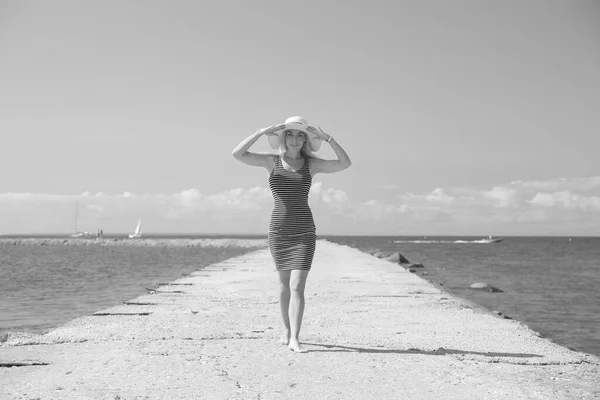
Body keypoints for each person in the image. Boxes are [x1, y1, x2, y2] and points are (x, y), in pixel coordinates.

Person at [232, 116, 352, 352]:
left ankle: (295, 338)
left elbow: (344, 163)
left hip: (304, 231)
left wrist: (328, 138)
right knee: (283, 285)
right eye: (290, 134)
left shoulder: (312, 164)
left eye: (300, 135)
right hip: (278, 231)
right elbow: (237, 153)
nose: (295, 138)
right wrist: (260, 131)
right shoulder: (271, 162)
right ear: (283, 138)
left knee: (297, 285)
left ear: (305, 140)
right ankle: (285, 329)